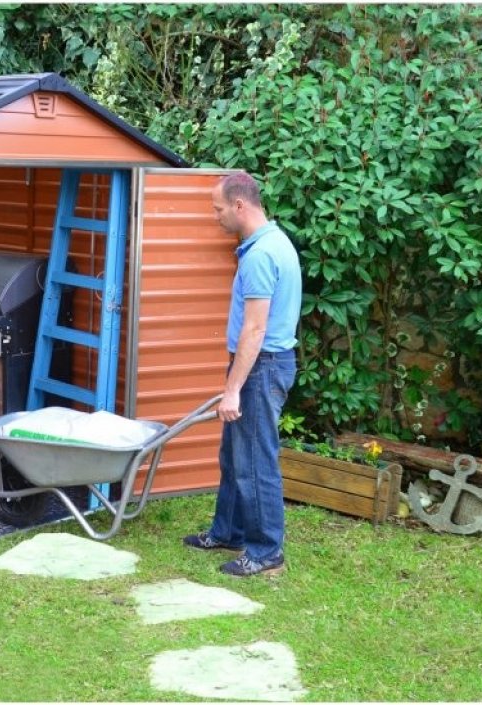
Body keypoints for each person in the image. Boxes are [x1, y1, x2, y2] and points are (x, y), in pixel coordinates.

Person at [183, 171, 301, 577]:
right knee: (235, 456)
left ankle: (266, 552)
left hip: (261, 366)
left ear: (239, 205)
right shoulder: (271, 243)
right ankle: (228, 531)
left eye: (218, 209)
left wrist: (233, 388)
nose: (215, 216)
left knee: (254, 460)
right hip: (258, 364)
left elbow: (255, 329)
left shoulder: (261, 255)